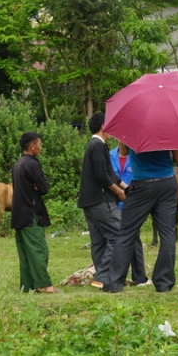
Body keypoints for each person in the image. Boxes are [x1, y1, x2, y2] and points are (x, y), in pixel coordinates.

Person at [103, 147, 178, 293]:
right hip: (167, 182)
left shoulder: (134, 127)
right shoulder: (169, 128)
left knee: (126, 233)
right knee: (167, 234)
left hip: (142, 184)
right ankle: (164, 283)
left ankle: (114, 283)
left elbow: (123, 152)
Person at [77, 113, 126, 289]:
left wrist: (126, 187)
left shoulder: (95, 145)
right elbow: (102, 176)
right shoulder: (98, 146)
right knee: (118, 234)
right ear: (103, 127)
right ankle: (102, 275)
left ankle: (100, 277)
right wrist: (119, 192)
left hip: (88, 201)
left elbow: (111, 174)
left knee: (99, 241)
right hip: (100, 200)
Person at [12, 132, 60, 294]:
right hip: (30, 213)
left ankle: (27, 284)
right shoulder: (32, 164)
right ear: (32, 147)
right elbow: (44, 188)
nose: (41, 147)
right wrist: (38, 187)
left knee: (26, 251)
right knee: (39, 249)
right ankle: (44, 284)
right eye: (39, 144)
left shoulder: (19, 163)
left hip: (18, 213)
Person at [108, 140, 150, 287]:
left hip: (132, 202)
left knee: (134, 239)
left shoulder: (138, 156)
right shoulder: (109, 155)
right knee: (116, 239)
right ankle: (112, 275)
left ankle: (139, 276)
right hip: (112, 202)